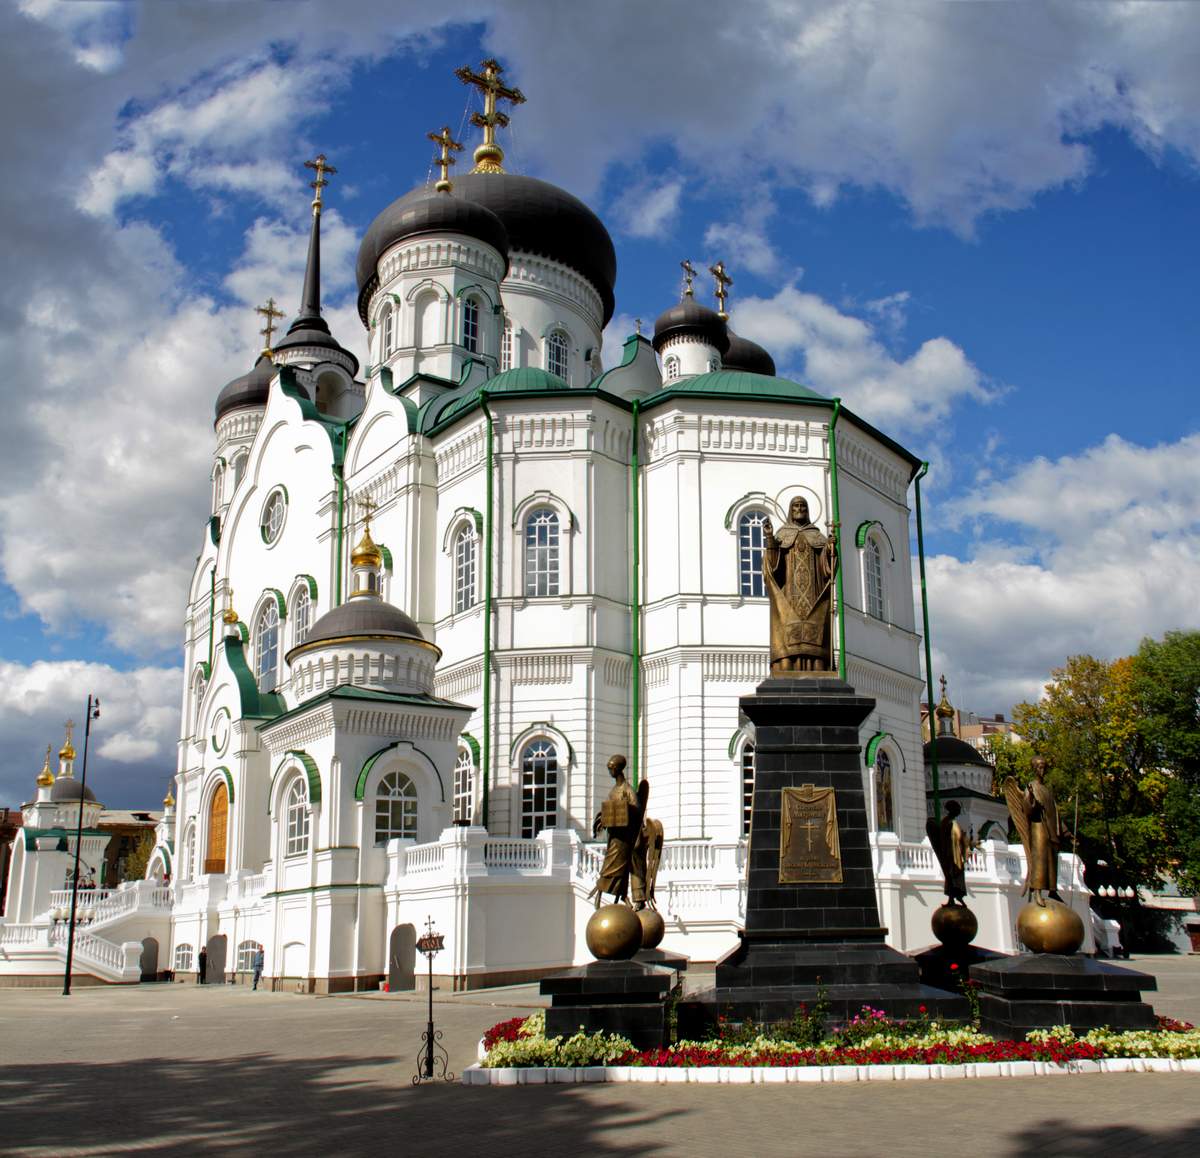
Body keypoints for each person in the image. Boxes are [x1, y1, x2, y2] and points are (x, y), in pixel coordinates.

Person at [763, 496, 838, 675]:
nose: (800, 509)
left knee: (815, 630)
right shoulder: (782, 535)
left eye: (803, 506)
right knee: (789, 633)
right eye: (795, 505)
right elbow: (772, 567)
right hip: (789, 595)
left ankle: (817, 667)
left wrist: (829, 550)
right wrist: (770, 540)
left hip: (813, 594)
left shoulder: (816, 535)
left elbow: (827, 567)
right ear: (790, 509)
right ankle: (787, 667)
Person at [587, 755, 647, 909]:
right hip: (615, 836)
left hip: (625, 837)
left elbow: (637, 810)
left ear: (618, 769)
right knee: (611, 865)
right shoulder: (614, 790)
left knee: (618, 867)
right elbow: (609, 810)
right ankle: (619, 896)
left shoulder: (627, 789)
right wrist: (602, 819)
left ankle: (626, 897)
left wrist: (625, 810)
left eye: (611, 768)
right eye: (609, 768)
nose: (610, 771)